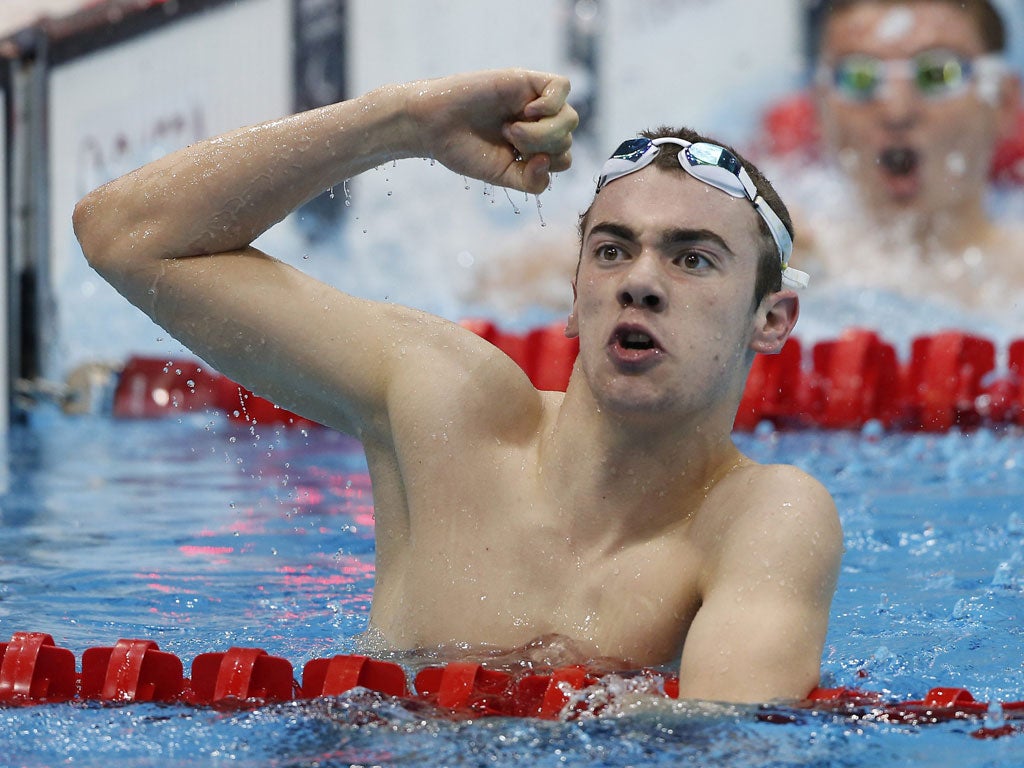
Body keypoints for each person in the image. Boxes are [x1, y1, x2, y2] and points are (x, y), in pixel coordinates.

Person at [72, 68, 842, 704]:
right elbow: (125, 240)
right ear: (575, 300)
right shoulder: (449, 410)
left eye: (692, 259)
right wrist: (399, 124)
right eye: (611, 252)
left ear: (771, 320)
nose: (639, 282)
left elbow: (725, 746)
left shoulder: (763, 518)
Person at [798, 0, 1024, 310]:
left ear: (1004, 102)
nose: (897, 110)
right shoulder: (786, 266)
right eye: (859, 77)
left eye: (938, 73)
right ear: (819, 110)